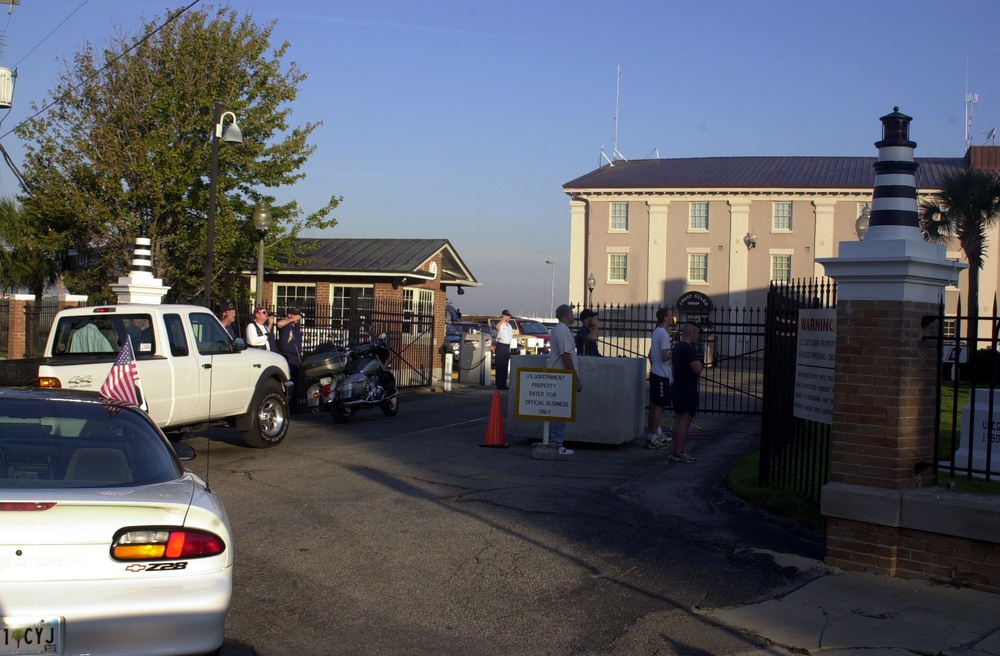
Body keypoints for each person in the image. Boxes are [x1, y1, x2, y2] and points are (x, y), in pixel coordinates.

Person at [547, 304, 583, 456]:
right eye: (570, 312)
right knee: (558, 411)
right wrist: (575, 378)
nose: (572, 314)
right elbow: (565, 356)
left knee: (558, 410)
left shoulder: (561, 330)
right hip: (561, 377)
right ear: (565, 315)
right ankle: (556, 443)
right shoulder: (562, 331)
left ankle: (554, 441)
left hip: (560, 376)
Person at [669, 323, 704, 463]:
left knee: (678, 419)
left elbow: (672, 366)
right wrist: (701, 363)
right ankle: (679, 451)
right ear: (690, 334)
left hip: (677, 386)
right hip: (686, 388)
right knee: (685, 420)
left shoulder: (677, 347)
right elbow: (697, 369)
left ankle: (675, 451)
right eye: (697, 334)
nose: (698, 336)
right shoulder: (688, 349)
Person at [645, 308, 674, 450]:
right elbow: (664, 356)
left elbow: (650, 354)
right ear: (665, 318)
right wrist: (672, 353)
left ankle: (655, 432)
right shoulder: (663, 334)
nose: (672, 318)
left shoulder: (656, 332)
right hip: (661, 374)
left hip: (656, 372)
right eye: (670, 316)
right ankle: (653, 437)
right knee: (659, 406)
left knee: (655, 404)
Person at [276, 308, 303, 414]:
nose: (297, 317)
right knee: (288, 381)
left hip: (295, 357)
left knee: (296, 383)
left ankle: (294, 407)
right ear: (289, 315)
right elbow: (279, 324)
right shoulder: (286, 325)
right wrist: (291, 319)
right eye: (295, 315)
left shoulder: (296, 328)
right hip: (287, 355)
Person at [494, 309, 514, 390]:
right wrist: (502, 319)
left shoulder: (509, 326)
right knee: (500, 365)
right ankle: (499, 384)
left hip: (507, 346)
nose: (509, 317)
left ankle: (504, 383)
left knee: (505, 366)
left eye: (509, 316)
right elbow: (496, 327)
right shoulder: (501, 325)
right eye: (507, 316)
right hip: (501, 346)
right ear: (504, 316)